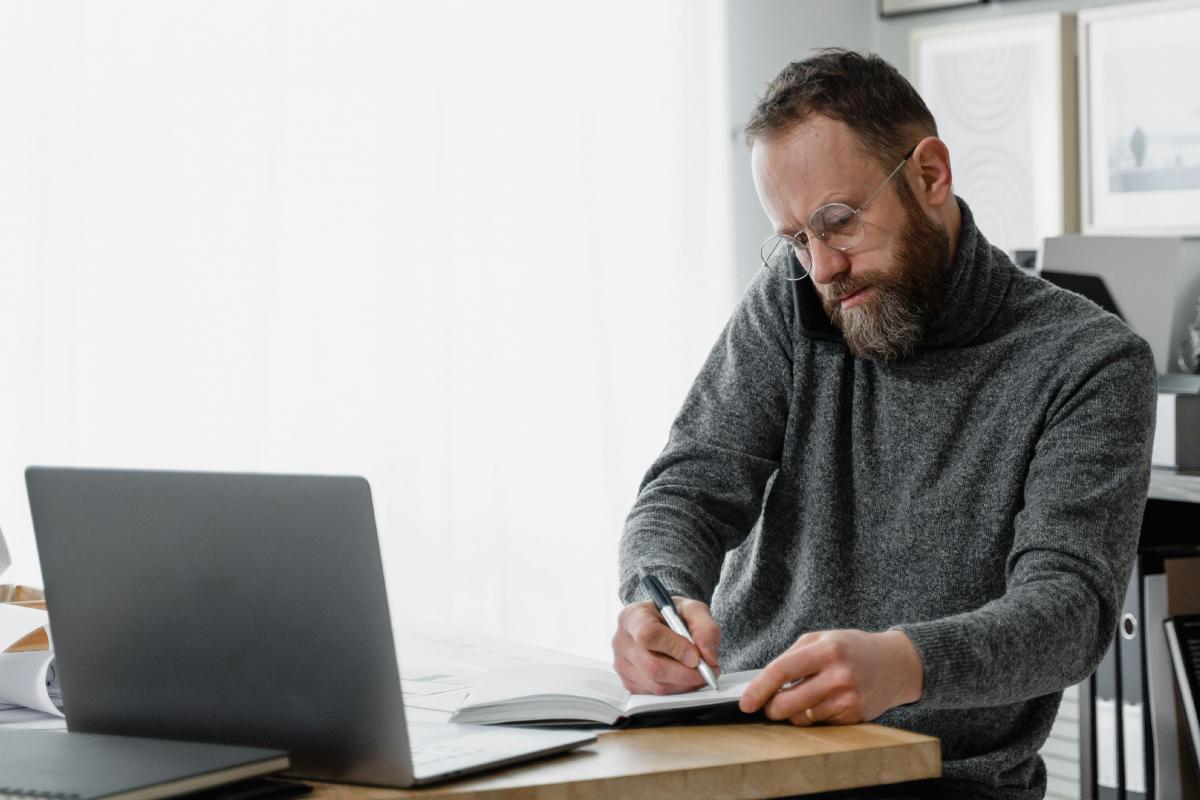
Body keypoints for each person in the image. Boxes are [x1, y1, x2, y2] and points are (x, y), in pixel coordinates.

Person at [613, 50, 1156, 800]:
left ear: (931, 175)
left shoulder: (1089, 362)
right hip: (738, 742)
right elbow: (688, 488)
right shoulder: (793, 297)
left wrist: (903, 665)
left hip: (941, 776)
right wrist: (657, 596)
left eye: (839, 222)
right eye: (797, 238)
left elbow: (1068, 613)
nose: (823, 267)